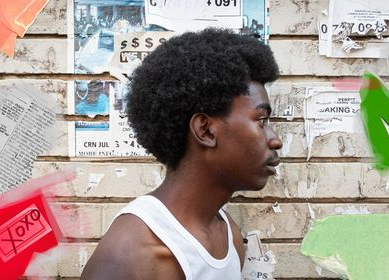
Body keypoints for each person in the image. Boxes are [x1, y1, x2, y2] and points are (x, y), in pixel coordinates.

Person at [81, 28, 282, 280]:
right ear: (206, 130)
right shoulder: (131, 254)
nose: (276, 140)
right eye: (261, 120)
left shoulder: (228, 236)